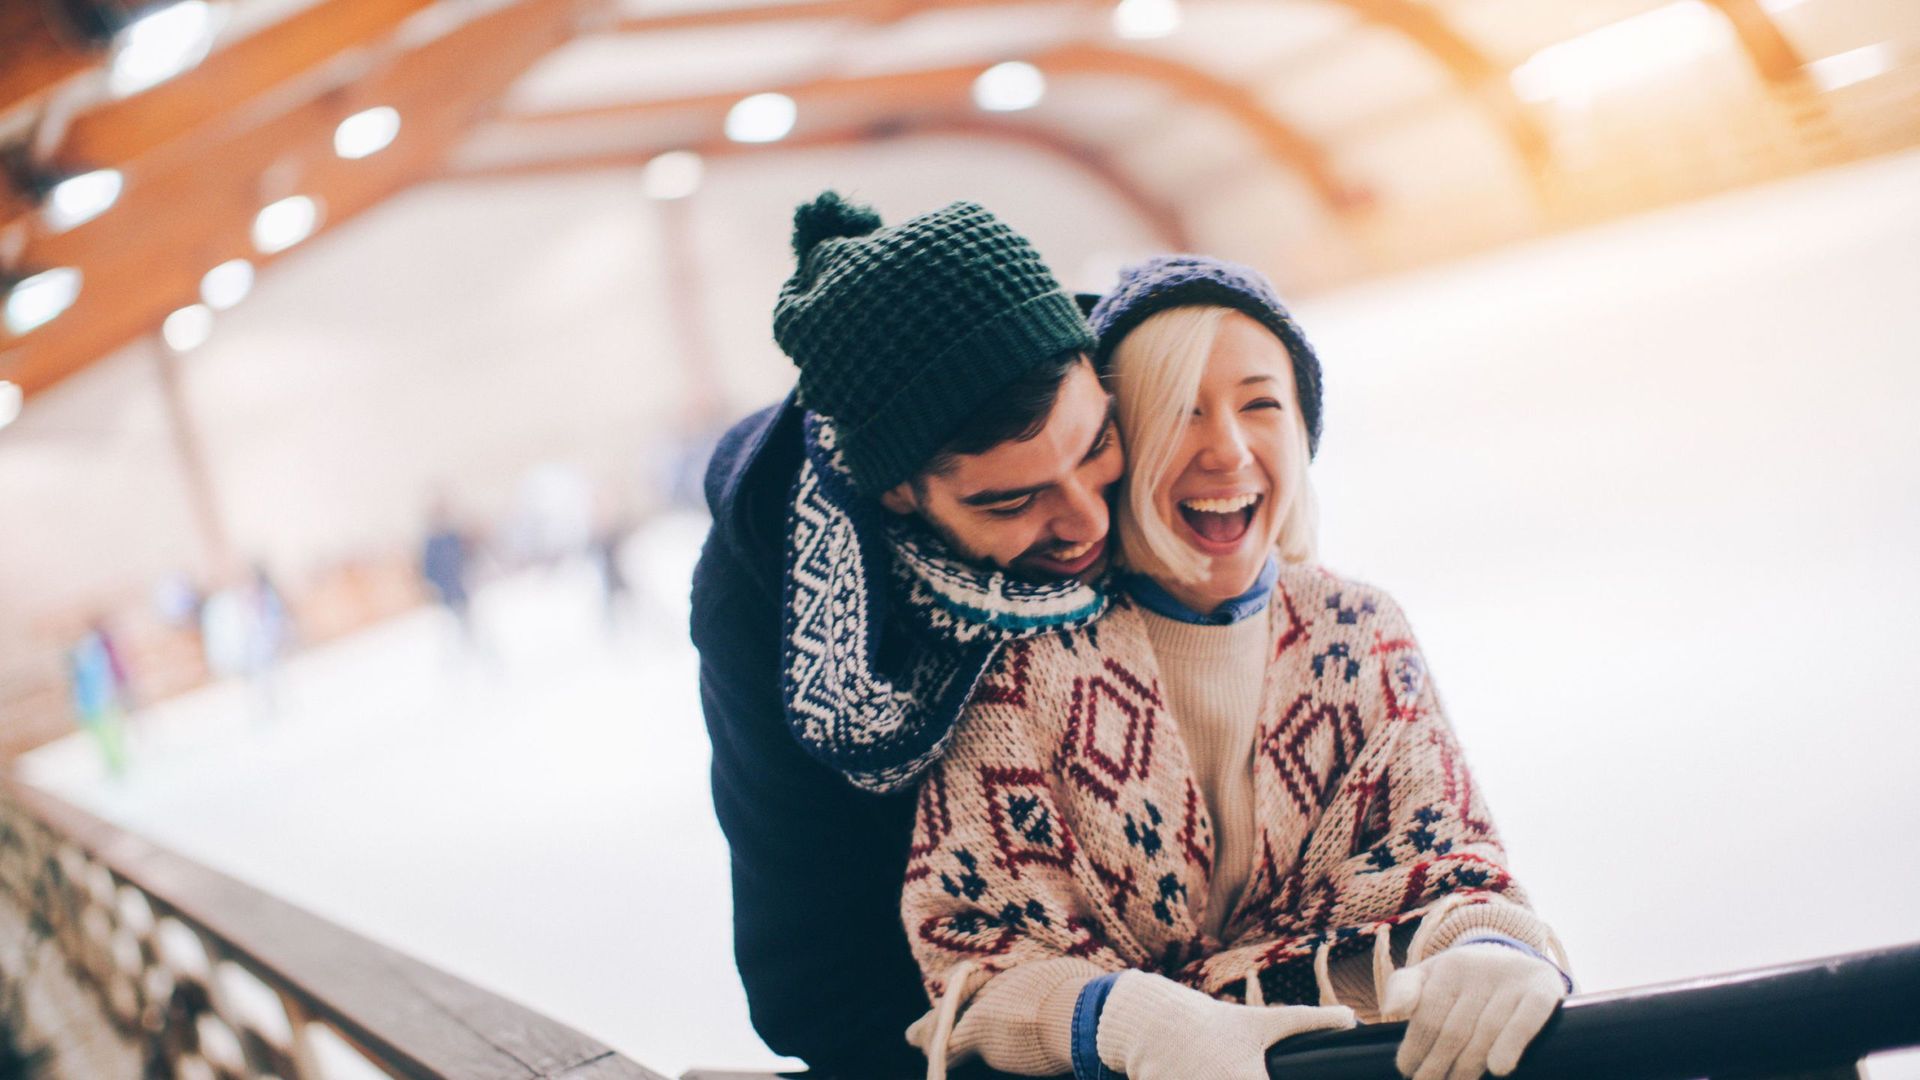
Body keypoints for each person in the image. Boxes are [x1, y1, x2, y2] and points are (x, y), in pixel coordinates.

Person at [901, 256, 1572, 1080]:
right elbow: (976, 960)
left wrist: (1490, 943)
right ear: (1120, 447)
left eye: (1261, 404)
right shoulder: (1017, 672)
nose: (1226, 449)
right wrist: (1119, 1017)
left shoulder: (1361, 631)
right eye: (1180, 413)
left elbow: (1454, 862)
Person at [690, 192, 1127, 1078]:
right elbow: (818, 987)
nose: (1084, 522)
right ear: (895, 493)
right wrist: (1067, 1036)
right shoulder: (764, 606)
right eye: (1009, 499)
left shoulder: (1145, 394)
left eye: (1097, 447)